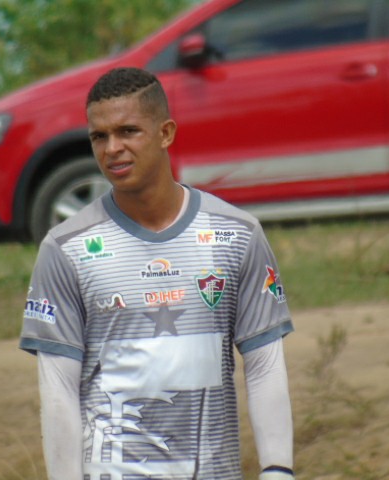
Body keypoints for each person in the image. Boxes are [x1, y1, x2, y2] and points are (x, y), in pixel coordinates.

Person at [19, 67, 295, 480]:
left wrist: (277, 469)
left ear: (166, 133)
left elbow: (264, 363)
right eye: (99, 136)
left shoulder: (237, 234)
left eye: (128, 131)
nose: (113, 148)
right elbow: (58, 387)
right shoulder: (65, 248)